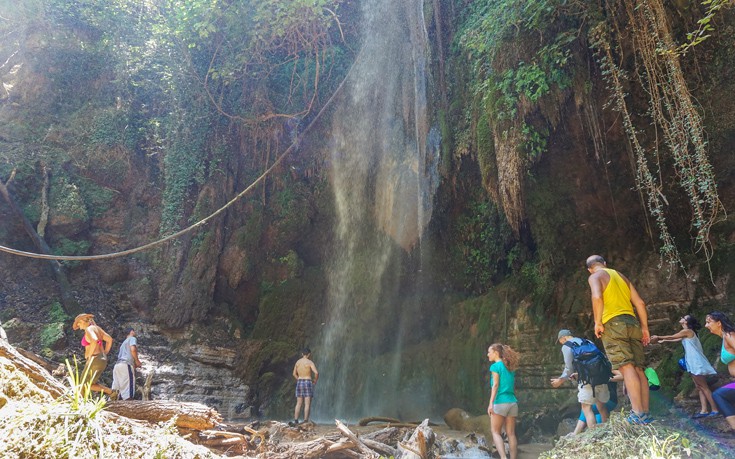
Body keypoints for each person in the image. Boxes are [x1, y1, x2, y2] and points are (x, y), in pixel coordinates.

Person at [586, 254, 651, 424]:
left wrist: (598, 322)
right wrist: (644, 328)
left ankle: (637, 413)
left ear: (589, 269)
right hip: (632, 322)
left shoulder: (595, 276)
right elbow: (640, 303)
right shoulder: (621, 276)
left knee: (626, 366)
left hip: (613, 324)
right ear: (605, 264)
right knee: (638, 368)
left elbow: (597, 297)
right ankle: (645, 412)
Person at [651, 314, 718, 418]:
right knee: (699, 387)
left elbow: (673, 336)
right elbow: (676, 339)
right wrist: (665, 340)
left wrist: (659, 337)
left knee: (704, 387)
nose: (681, 318)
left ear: (686, 322)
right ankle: (704, 410)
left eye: (683, 317)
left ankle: (714, 409)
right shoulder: (689, 333)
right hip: (693, 362)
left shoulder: (688, 331)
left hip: (696, 362)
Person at [551, 330, 611, 430]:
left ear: (564, 338)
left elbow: (569, 368)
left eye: (560, 341)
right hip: (601, 377)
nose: (561, 343)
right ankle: (608, 431)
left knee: (586, 408)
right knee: (601, 406)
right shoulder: (587, 341)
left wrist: (560, 380)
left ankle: (594, 434)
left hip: (586, 381)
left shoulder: (567, 346)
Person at [72, 313, 116, 399]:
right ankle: (111, 392)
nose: (78, 325)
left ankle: (81, 404)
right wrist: (105, 353)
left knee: (82, 384)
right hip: (101, 360)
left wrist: (90, 356)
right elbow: (109, 339)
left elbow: (94, 340)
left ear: (82, 321)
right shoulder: (97, 329)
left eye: (78, 323)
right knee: (88, 384)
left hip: (94, 359)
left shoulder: (89, 329)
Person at [487, 343, 520, 459]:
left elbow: (495, 385)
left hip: (500, 402)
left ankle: (503, 458)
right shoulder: (510, 367)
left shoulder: (495, 367)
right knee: (511, 434)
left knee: (495, 432)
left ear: (496, 353)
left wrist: (490, 403)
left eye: (489, 352)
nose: (488, 355)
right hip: (512, 403)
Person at [705, 311, 735, 432]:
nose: (706, 325)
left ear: (718, 323)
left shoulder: (729, 335)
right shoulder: (725, 337)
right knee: (720, 395)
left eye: (708, 322)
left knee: (719, 395)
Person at [112, 328, 142, 400]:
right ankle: (130, 408)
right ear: (131, 332)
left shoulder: (123, 343)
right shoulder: (132, 338)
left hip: (117, 366)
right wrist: (137, 361)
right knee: (128, 390)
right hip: (125, 365)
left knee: (116, 389)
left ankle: (111, 405)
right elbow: (133, 349)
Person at [291, 348, 318, 425]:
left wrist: (298, 379)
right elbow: (316, 373)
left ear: (302, 354)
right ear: (309, 354)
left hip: (300, 381)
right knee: (307, 403)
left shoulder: (298, 362)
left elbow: (294, 374)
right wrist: (315, 381)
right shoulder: (310, 362)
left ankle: (296, 420)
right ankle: (305, 421)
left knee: (298, 403)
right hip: (307, 381)